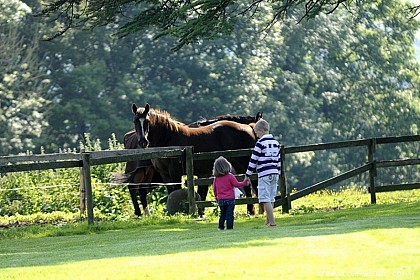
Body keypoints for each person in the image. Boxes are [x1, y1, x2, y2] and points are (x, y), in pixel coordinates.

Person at [245, 119, 280, 227]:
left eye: (256, 133)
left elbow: (253, 160)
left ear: (260, 131)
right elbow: (278, 160)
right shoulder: (275, 143)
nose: (256, 135)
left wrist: (248, 175)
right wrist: (278, 172)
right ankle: (268, 221)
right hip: (275, 172)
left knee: (265, 198)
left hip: (264, 173)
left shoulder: (260, 144)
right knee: (271, 197)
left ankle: (272, 222)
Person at [212, 156, 250, 230]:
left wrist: (216, 197)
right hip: (230, 199)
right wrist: (245, 183)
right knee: (229, 214)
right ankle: (229, 227)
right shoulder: (230, 176)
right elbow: (237, 184)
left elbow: (214, 189)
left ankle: (220, 227)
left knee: (222, 214)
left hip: (221, 200)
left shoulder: (216, 179)